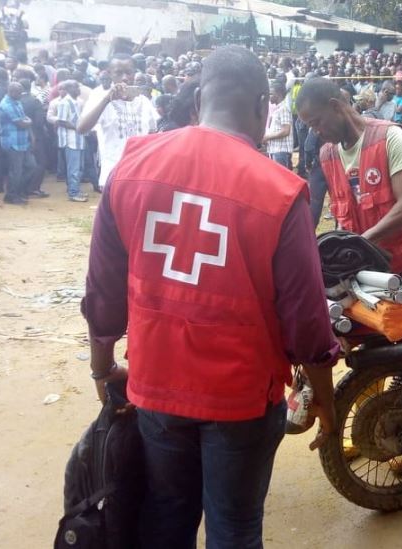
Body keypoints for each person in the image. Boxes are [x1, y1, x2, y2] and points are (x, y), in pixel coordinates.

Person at [80, 46, 339, 549]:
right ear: (266, 107)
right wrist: (326, 408)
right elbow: (308, 325)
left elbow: (103, 292)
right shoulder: (281, 192)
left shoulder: (131, 166)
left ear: (198, 100)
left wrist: (102, 367)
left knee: (167, 515)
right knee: (235, 527)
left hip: (156, 384)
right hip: (242, 399)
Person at [297, 78, 402, 300]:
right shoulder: (328, 155)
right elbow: (337, 213)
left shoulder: (390, 137)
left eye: (317, 122)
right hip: (370, 272)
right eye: (310, 126)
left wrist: (359, 244)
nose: (314, 132)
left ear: (335, 107)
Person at [77, 55, 158, 190]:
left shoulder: (144, 102)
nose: (125, 77)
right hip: (113, 177)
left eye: (129, 72)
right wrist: (107, 100)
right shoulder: (99, 97)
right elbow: (81, 128)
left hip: (140, 176)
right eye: (119, 73)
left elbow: (152, 132)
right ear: (109, 74)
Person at [0, 81, 35, 205]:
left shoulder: (17, 102)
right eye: (19, 92)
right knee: (15, 171)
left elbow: (25, 120)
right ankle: (12, 195)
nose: (22, 95)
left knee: (31, 166)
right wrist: (29, 122)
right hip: (12, 142)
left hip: (22, 141)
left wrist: (29, 127)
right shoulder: (6, 104)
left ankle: (16, 192)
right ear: (12, 92)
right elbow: (21, 122)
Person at [53, 80, 88, 201]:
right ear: (68, 89)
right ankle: (73, 193)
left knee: (80, 167)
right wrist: (78, 128)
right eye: (75, 87)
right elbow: (61, 121)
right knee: (74, 168)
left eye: (78, 86)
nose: (78, 89)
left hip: (80, 139)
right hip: (71, 140)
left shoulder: (79, 102)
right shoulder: (64, 103)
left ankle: (75, 189)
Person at [263, 80, 294, 169]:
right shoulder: (277, 110)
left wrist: (267, 137)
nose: (269, 96)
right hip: (275, 149)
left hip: (281, 151)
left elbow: (285, 131)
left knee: (282, 179)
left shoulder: (283, 109)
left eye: (271, 94)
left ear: (278, 94)